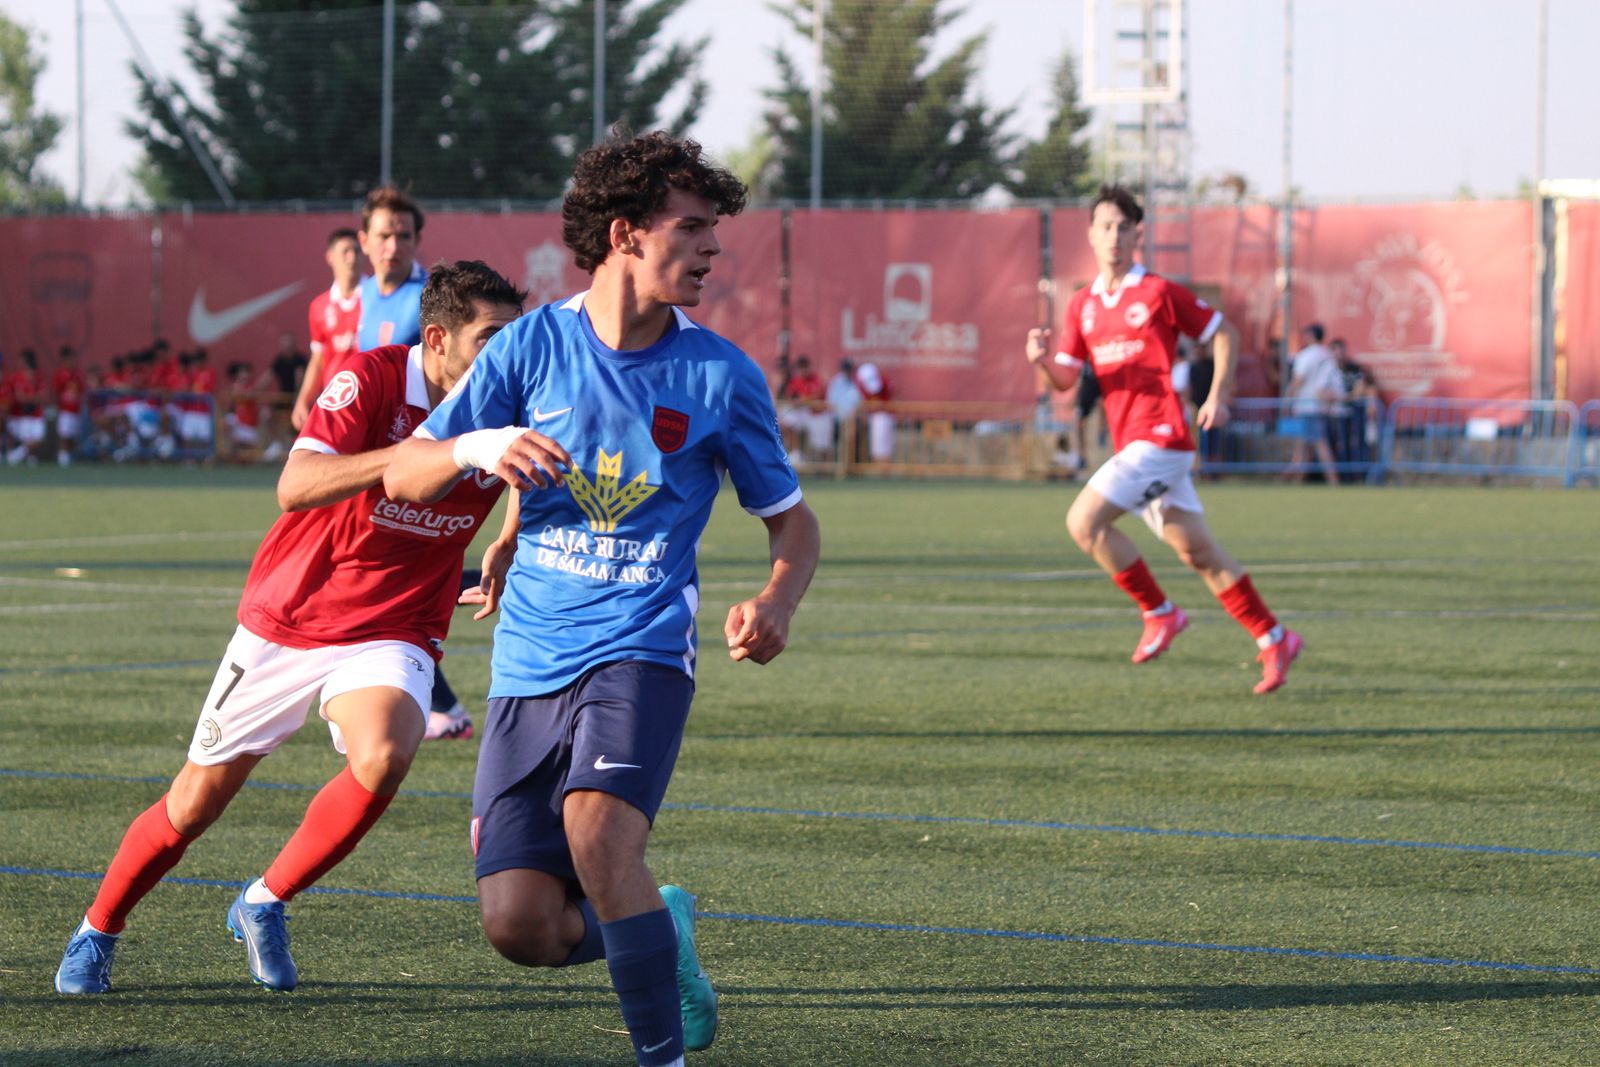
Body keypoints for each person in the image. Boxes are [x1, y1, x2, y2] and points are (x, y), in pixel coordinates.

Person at [384, 131, 821, 1067]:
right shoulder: (531, 347)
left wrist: (778, 598)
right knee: (520, 926)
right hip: (529, 659)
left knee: (597, 834)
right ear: (624, 233)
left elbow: (793, 522)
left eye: (714, 230)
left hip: (644, 646)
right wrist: (477, 449)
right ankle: (662, 930)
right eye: (692, 228)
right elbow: (408, 469)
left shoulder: (720, 374)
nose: (712, 249)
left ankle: (658, 1052)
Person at [53, 261, 527, 997]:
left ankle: (265, 899)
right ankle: (98, 928)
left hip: (395, 619)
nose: (508, 352)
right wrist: (412, 458)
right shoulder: (372, 379)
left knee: (384, 753)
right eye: (491, 337)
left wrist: (505, 540)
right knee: (191, 806)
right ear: (438, 339)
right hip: (295, 609)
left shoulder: (513, 392)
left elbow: (529, 465)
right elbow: (293, 485)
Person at [1025, 184, 1302, 695]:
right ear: (1090, 234)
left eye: (1123, 227)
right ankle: (1274, 637)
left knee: (1083, 523)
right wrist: (1041, 361)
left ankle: (1160, 612)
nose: (1113, 236)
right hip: (1133, 445)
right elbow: (1064, 380)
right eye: (1105, 226)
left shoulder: (1157, 291)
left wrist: (1219, 394)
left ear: (1138, 235)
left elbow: (1224, 333)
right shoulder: (1083, 305)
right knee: (1197, 552)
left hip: (1162, 439)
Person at [292, 227, 364, 431]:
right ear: (330, 257)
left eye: (357, 251)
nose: (352, 258)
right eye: (345, 252)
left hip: (371, 394)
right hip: (336, 398)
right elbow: (318, 358)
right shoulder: (319, 306)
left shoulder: (377, 298)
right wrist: (303, 399)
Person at [1285, 322, 1343, 485]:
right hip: (1320, 405)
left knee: (1318, 444)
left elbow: (1299, 379)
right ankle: (1298, 479)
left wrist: (1287, 396)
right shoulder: (1327, 355)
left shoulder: (1306, 355)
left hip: (1306, 405)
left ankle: (1333, 480)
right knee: (1303, 445)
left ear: (1311, 335)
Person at [1331, 337, 1378, 468]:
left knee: (1361, 441)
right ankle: (1345, 475)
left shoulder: (1354, 368)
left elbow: (1360, 390)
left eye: (1341, 350)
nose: (1339, 354)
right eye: (1335, 350)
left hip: (1357, 410)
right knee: (1342, 443)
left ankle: (1363, 473)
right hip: (1338, 411)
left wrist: (1343, 398)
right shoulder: (1329, 370)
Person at [777, 354, 830, 462]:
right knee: (785, 419)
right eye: (801, 368)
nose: (803, 370)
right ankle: (795, 452)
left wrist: (804, 400)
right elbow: (791, 397)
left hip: (816, 415)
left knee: (820, 444)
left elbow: (818, 394)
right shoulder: (795, 381)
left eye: (804, 367)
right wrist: (798, 401)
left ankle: (823, 465)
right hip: (803, 413)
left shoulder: (816, 379)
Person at [4, 348, 47, 465]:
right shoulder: (17, 377)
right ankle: (27, 458)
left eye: (21, 360)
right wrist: (32, 398)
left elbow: (42, 396)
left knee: (39, 439)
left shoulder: (38, 376)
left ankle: (16, 455)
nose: (19, 363)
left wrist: (29, 398)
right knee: (26, 439)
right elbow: (19, 397)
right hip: (24, 414)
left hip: (37, 413)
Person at [52, 345, 87, 465]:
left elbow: (82, 391)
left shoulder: (77, 374)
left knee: (73, 436)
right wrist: (57, 408)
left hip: (76, 410)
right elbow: (56, 392)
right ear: (64, 360)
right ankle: (62, 458)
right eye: (70, 359)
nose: (72, 362)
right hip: (65, 410)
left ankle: (70, 456)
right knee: (64, 434)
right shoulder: (60, 374)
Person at [854, 361, 895, 462]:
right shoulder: (860, 383)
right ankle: (880, 468)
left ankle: (883, 469)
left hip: (884, 416)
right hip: (876, 416)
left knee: (883, 446)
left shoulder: (884, 381)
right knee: (878, 446)